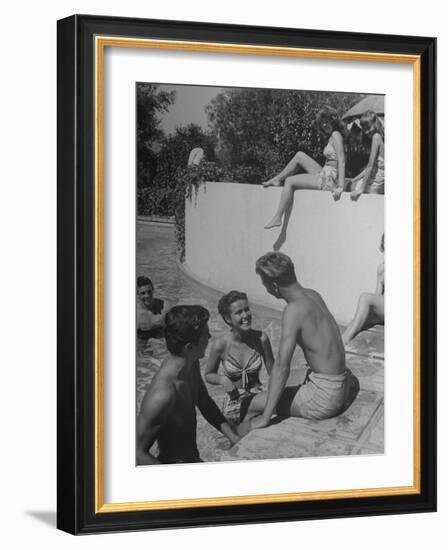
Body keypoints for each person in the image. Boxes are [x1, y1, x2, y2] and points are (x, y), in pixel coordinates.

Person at [239, 252, 348, 434]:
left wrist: (266, 416)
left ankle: (237, 444)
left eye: (264, 283)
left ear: (273, 286)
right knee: (273, 384)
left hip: (324, 398)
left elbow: (282, 366)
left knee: (249, 404)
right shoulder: (313, 295)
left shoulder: (293, 311)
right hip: (339, 384)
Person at [137, 305, 240, 464]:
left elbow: (204, 401)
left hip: (192, 460)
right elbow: (137, 453)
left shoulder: (191, 364)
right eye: (206, 335)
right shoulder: (163, 394)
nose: (210, 337)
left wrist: (233, 437)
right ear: (190, 347)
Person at [263, 106, 346, 230]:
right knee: (299, 155)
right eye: (322, 123)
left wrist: (340, 186)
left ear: (332, 120)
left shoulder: (336, 135)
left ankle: (277, 217)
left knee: (290, 181)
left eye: (326, 121)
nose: (324, 125)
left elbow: (342, 160)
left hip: (328, 178)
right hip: (325, 172)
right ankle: (276, 179)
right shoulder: (331, 136)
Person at [205, 291, 274, 424]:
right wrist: (223, 380)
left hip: (258, 396)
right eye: (239, 312)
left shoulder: (261, 339)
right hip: (234, 403)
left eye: (247, 309)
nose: (245, 315)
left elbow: (274, 372)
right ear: (228, 318)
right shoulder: (221, 345)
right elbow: (208, 374)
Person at [342, 234, 384, 345]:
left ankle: (343, 342)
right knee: (357, 321)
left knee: (365, 297)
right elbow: (377, 295)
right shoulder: (382, 268)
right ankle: (339, 344)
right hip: (384, 310)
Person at [349, 110, 384, 200]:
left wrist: (361, 189)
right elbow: (371, 167)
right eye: (364, 129)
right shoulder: (379, 137)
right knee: (352, 183)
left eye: (368, 128)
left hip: (378, 179)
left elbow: (370, 165)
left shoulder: (376, 137)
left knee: (353, 188)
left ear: (375, 124)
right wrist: (355, 179)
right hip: (379, 177)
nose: (366, 132)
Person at [136, 275, 165, 341]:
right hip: (143, 342)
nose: (147, 296)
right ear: (137, 294)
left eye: (149, 292)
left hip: (161, 343)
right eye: (143, 293)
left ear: (153, 289)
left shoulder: (164, 307)